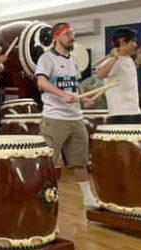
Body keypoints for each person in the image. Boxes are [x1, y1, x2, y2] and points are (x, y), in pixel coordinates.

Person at [34, 22, 99, 208]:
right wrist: (62, 95)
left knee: (80, 161)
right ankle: (46, 196)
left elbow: (74, 86)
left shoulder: (73, 60)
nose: (72, 37)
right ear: (56, 37)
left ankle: (88, 198)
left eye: (72, 33)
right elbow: (41, 83)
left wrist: (82, 100)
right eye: (68, 34)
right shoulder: (47, 59)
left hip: (76, 118)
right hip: (55, 118)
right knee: (50, 162)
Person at [95, 28, 141, 124]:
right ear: (122, 42)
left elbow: (126, 74)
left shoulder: (128, 59)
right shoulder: (113, 60)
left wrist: (139, 60)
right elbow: (100, 74)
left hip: (135, 111)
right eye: (133, 41)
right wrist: (114, 57)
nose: (135, 44)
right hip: (120, 114)